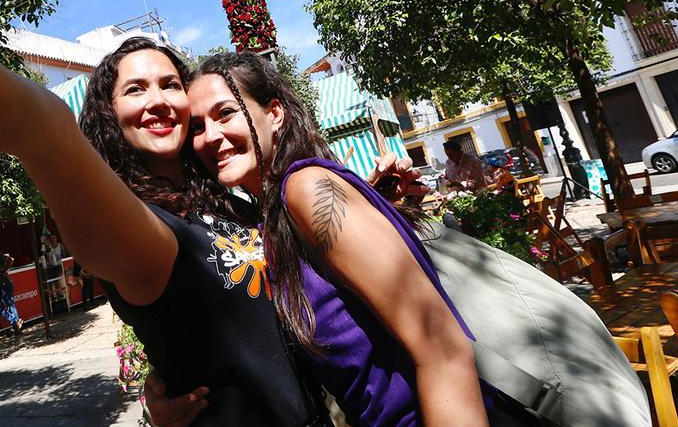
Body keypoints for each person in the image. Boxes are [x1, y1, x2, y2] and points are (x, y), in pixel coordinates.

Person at [0, 0, 326, 425]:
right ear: (107, 112)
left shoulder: (225, 201)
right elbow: (131, 246)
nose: (159, 100)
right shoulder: (144, 226)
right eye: (135, 89)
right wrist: (40, 127)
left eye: (170, 84)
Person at [185, 52, 490, 425]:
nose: (210, 137)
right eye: (197, 126)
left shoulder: (307, 189)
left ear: (275, 114)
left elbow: (444, 348)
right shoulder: (273, 216)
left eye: (225, 113)